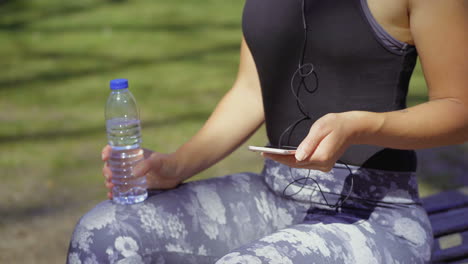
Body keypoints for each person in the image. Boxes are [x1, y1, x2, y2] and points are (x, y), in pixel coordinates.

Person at [67, 0, 468, 263]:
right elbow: (250, 91)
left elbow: (459, 109)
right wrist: (174, 166)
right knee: (101, 233)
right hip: (273, 193)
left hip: (377, 213)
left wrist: (361, 126)